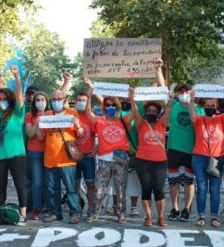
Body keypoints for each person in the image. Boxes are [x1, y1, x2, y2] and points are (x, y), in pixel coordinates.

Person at [83, 77, 133, 224]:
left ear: (117, 107)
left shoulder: (123, 120)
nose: (110, 107)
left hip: (120, 160)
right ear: (104, 108)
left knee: (121, 189)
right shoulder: (99, 121)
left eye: (113, 105)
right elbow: (87, 112)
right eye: (107, 105)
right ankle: (93, 213)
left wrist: (133, 99)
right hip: (104, 159)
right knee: (99, 189)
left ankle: (121, 214)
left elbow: (136, 114)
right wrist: (89, 95)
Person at [0, 66, 28, 225]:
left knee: (19, 184)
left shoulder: (17, 113)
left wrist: (17, 76)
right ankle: (0, 214)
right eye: (0, 99)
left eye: (5, 99)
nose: (2, 101)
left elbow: (18, 93)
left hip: (15, 154)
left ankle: (23, 214)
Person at [189, 90, 224, 228]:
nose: (210, 108)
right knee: (202, 187)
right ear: (203, 107)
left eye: (212, 105)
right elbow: (191, 114)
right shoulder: (199, 119)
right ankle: (201, 215)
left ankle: (214, 216)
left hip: (217, 158)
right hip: (199, 158)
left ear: (216, 107)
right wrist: (192, 100)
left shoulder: (220, 119)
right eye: (207, 106)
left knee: (215, 188)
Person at [37, 90, 83, 224]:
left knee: (71, 188)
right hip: (50, 159)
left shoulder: (72, 114)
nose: (56, 101)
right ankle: (55, 213)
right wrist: (39, 124)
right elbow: (40, 137)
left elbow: (80, 134)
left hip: (67, 159)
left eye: (59, 99)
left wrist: (78, 124)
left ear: (64, 100)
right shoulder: (47, 115)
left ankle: (75, 213)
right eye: (54, 99)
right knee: (51, 189)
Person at [130, 90, 172, 227]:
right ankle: (148, 217)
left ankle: (160, 217)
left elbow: (168, 111)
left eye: (155, 111)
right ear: (145, 112)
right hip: (142, 161)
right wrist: (132, 99)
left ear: (158, 113)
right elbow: (135, 110)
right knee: (146, 189)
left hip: (160, 162)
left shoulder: (162, 124)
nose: (152, 113)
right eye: (149, 111)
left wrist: (170, 100)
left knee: (159, 189)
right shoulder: (140, 123)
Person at [166, 84, 204, 222]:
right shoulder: (174, 106)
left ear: (192, 93)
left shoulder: (199, 109)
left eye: (186, 91)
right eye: (181, 91)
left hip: (191, 150)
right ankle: (175, 208)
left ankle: (187, 208)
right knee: (173, 181)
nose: (183, 93)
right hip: (174, 149)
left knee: (189, 181)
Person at [25, 92, 48, 220]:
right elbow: (30, 134)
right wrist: (37, 123)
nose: (40, 101)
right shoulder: (30, 115)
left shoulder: (51, 114)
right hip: (34, 152)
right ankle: (37, 208)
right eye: (37, 99)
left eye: (42, 99)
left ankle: (49, 207)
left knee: (49, 182)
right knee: (37, 182)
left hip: (50, 152)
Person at [74, 90, 96, 216]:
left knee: (90, 185)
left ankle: (91, 209)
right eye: (79, 100)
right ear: (75, 102)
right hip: (74, 156)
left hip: (88, 155)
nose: (81, 102)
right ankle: (77, 209)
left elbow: (102, 133)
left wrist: (97, 147)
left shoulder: (91, 117)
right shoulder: (71, 115)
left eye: (84, 100)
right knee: (75, 184)